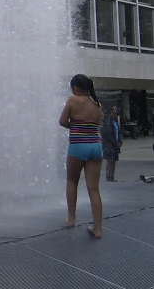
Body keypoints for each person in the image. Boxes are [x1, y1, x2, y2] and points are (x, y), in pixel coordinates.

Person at [58, 74, 104, 238]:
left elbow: (62, 121)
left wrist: (75, 125)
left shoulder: (73, 100)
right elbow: (97, 123)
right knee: (94, 189)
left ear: (75, 88)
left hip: (78, 146)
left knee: (72, 180)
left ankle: (72, 218)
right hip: (96, 146)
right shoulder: (96, 103)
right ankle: (98, 229)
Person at [101, 107, 122, 182]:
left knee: (114, 160)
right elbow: (108, 135)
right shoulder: (107, 122)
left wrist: (120, 142)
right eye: (113, 113)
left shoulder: (115, 122)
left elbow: (117, 133)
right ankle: (108, 176)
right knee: (110, 160)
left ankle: (112, 175)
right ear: (109, 114)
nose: (115, 114)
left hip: (114, 144)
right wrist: (115, 142)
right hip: (109, 145)